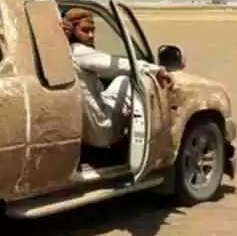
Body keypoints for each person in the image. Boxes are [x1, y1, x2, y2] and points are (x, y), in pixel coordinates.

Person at [63, 8, 173, 148]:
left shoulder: (64, 53)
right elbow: (117, 65)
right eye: (85, 30)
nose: (91, 35)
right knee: (126, 81)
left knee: (120, 81)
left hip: (83, 130)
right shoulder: (80, 52)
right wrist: (155, 69)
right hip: (102, 129)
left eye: (92, 30)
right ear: (72, 31)